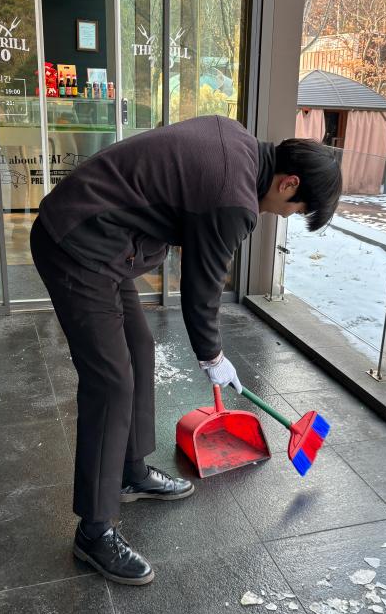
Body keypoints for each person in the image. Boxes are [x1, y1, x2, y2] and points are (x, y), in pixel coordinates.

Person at [30, 115, 341, 586]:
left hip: (108, 240)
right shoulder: (235, 199)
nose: (283, 216)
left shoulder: (237, 140)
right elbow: (203, 287)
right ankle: (94, 531)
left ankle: (130, 471)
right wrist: (212, 357)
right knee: (110, 383)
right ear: (289, 183)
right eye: (294, 210)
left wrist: (212, 353)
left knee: (138, 348)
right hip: (78, 243)